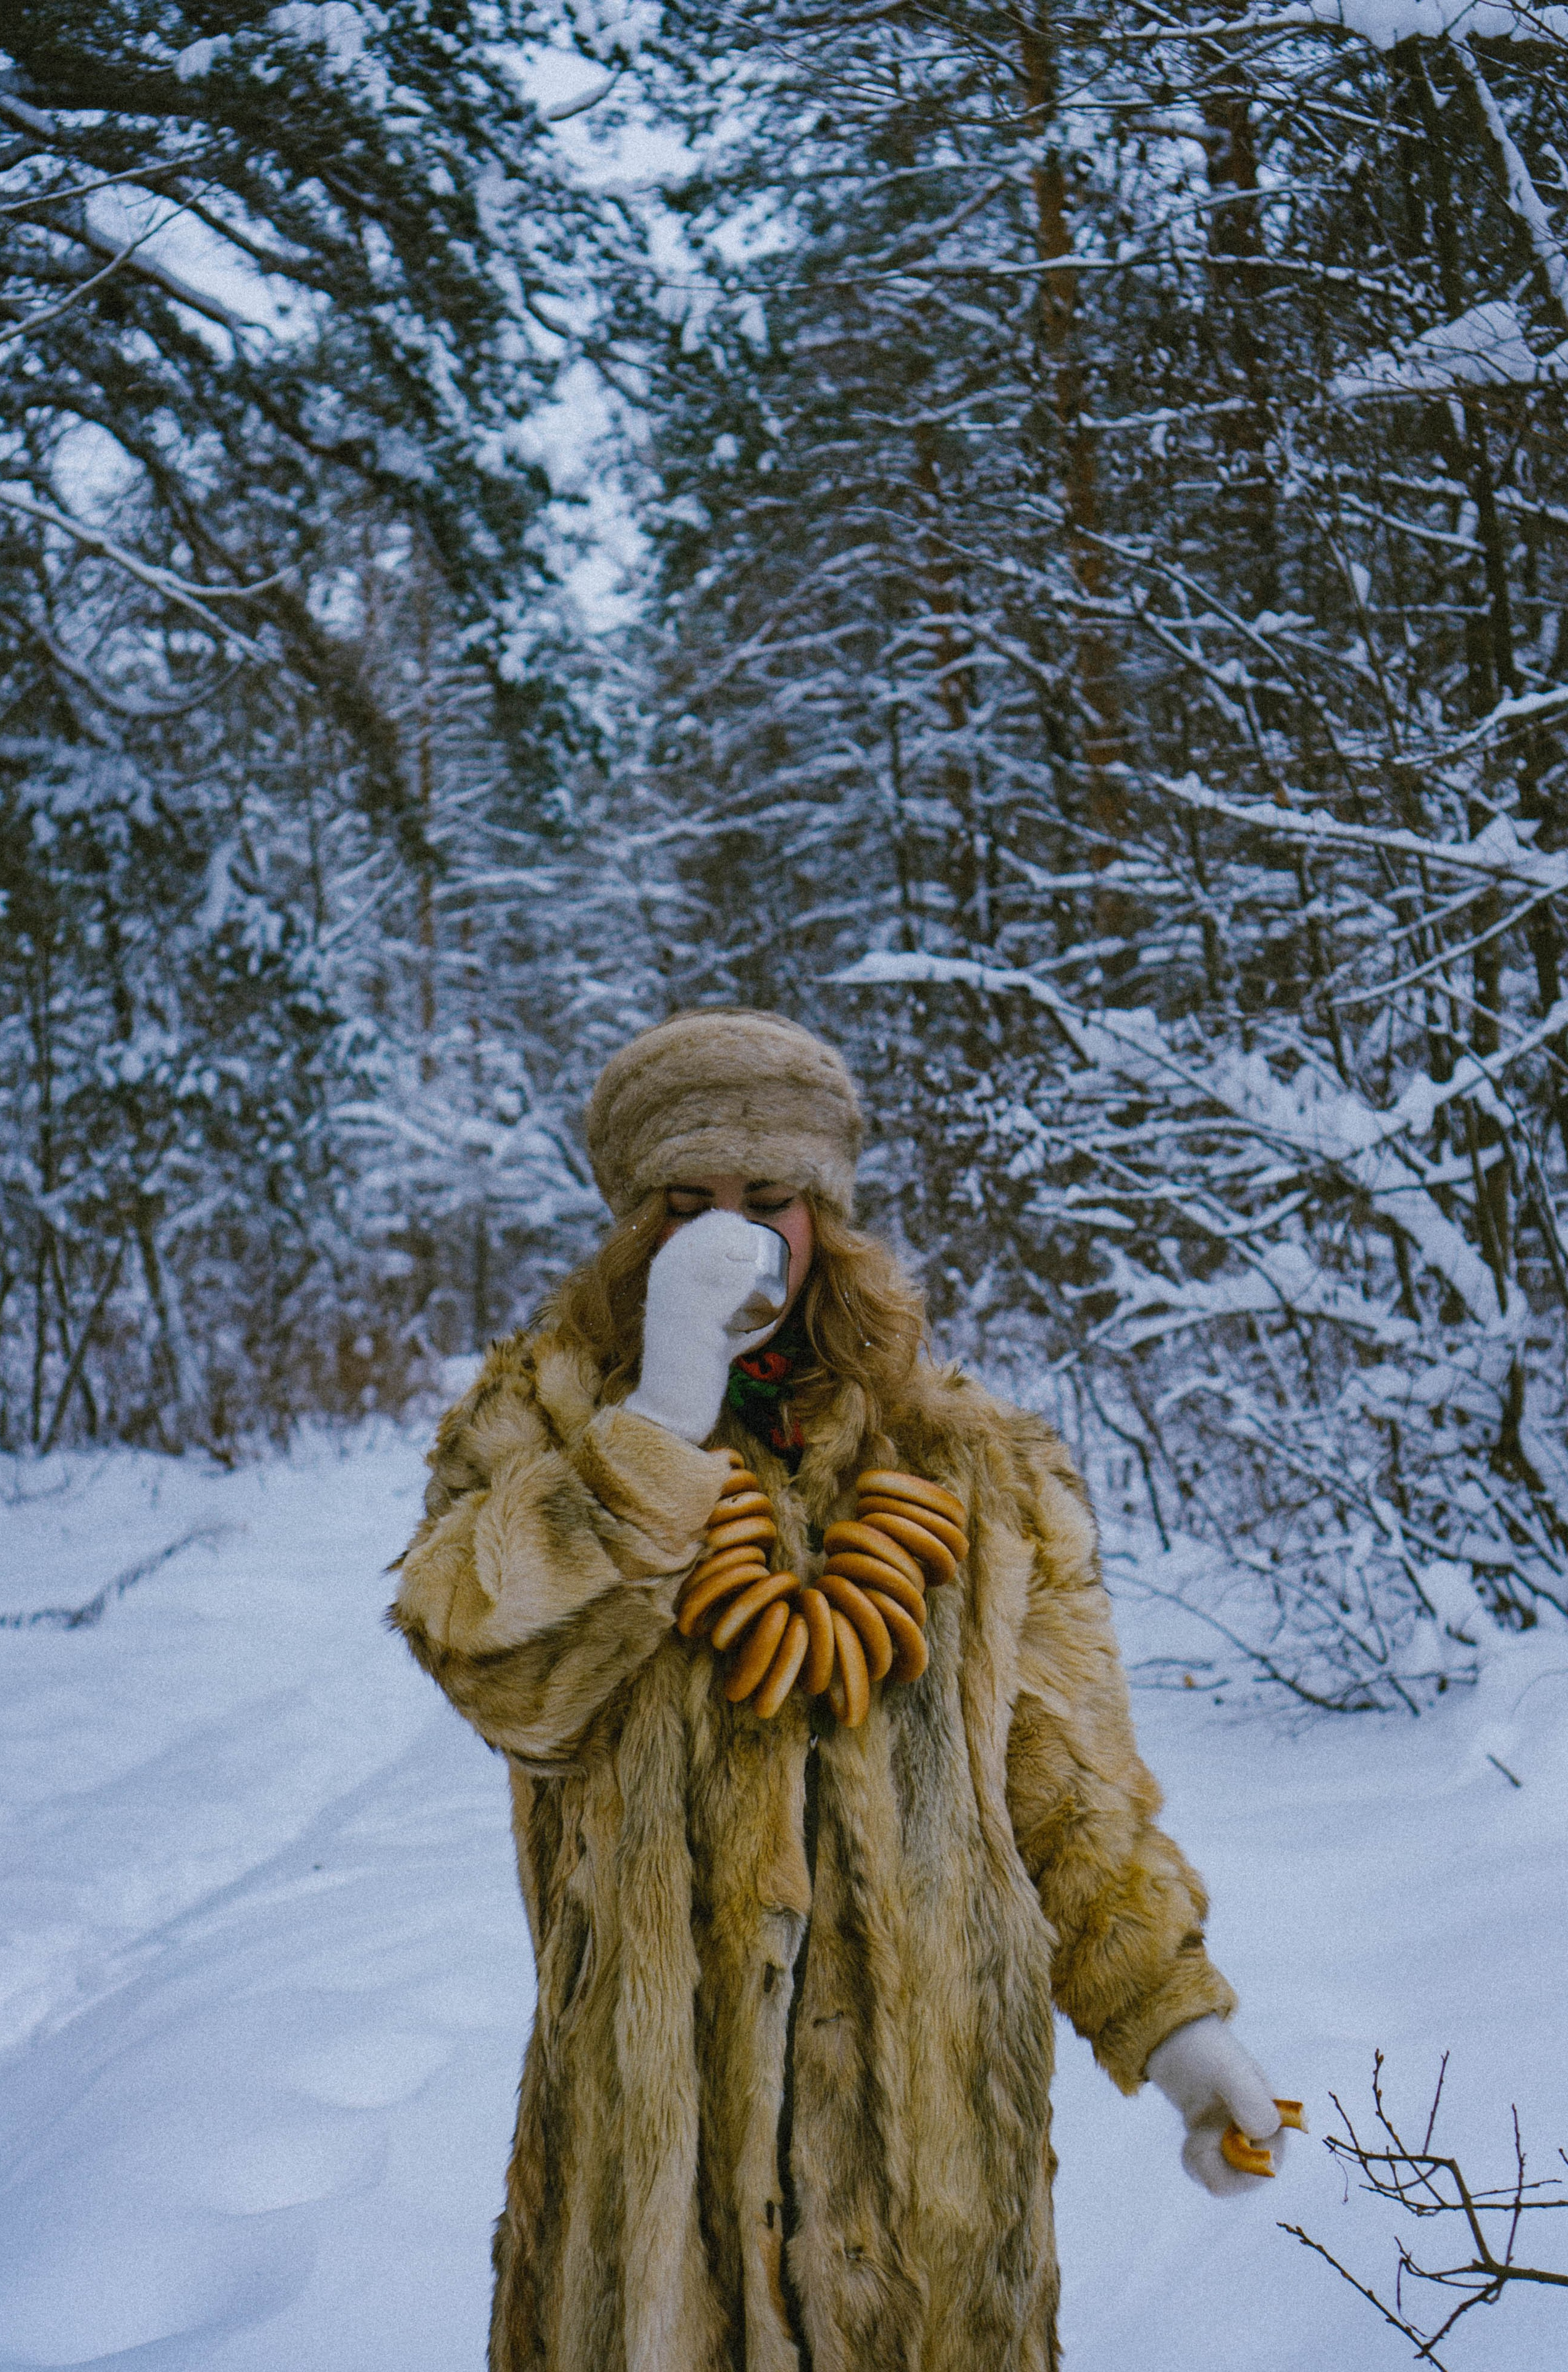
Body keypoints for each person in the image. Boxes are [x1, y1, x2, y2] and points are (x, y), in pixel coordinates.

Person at [388, 1008, 1289, 2372]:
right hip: (651, 2172)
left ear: (828, 1214)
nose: (728, 1238)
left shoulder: (974, 1462)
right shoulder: (539, 1433)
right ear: (632, 1224)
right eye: (684, 1205)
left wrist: (1173, 2022)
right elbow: (492, 1669)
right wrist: (656, 1436)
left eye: (767, 1201)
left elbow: (1064, 1789)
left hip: (928, 2179)